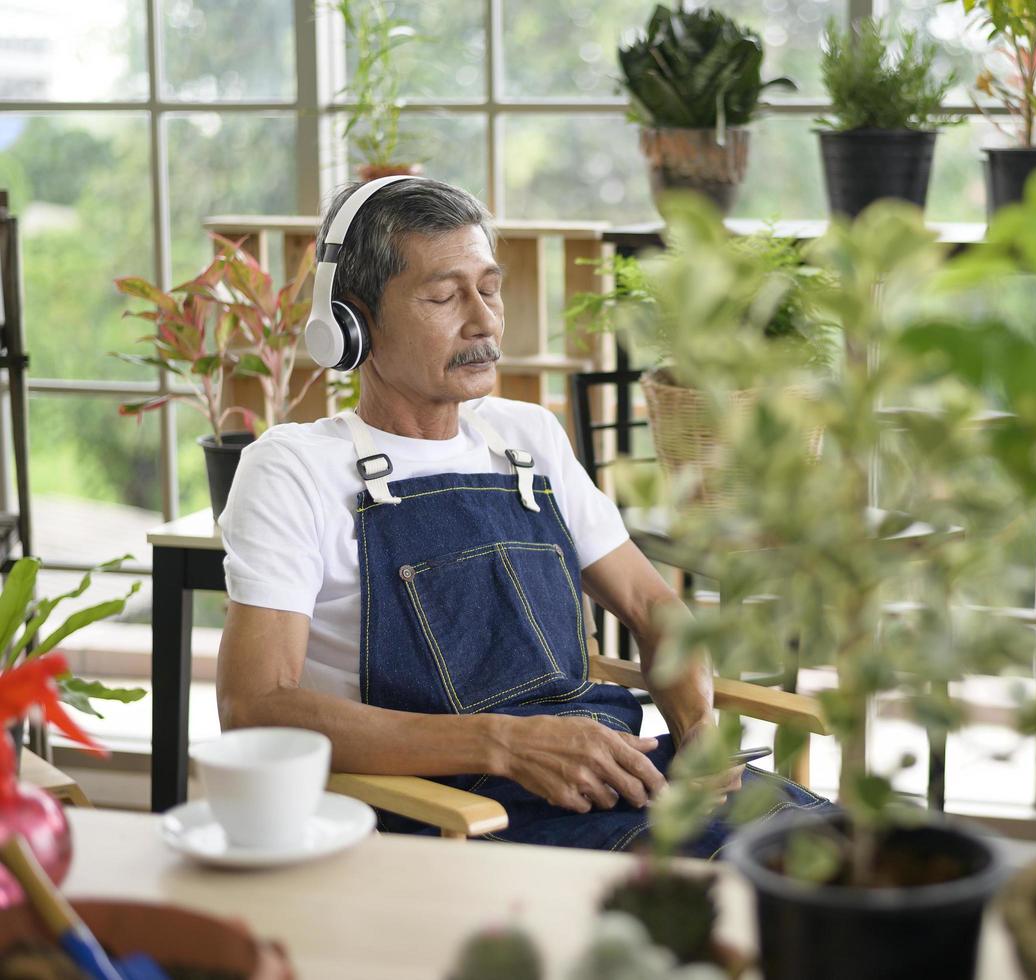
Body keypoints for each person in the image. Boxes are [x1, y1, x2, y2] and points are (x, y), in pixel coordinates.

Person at [215, 177, 826, 854]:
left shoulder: (524, 436)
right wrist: (507, 743)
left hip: (615, 772)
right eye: (444, 297)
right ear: (351, 324)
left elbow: (653, 605)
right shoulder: (294, 468)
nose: (483, 321)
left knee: (864, 856)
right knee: (760, 894)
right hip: (464, 812)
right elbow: (254, 708)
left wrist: (699, 729)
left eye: (490, 288)